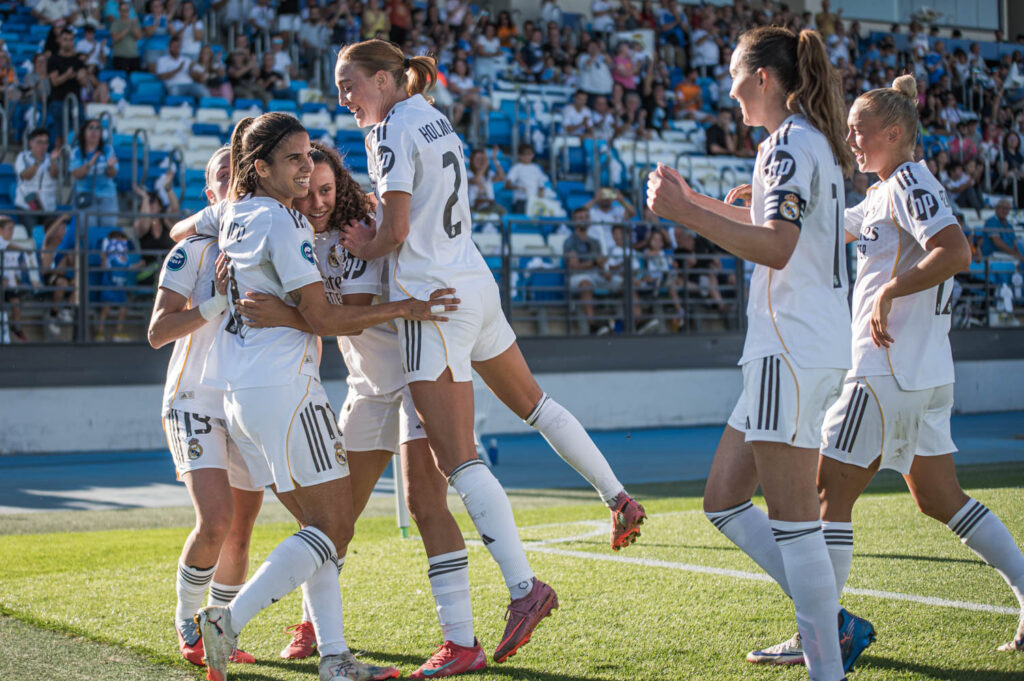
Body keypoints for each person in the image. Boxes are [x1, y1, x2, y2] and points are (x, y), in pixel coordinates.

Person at [335, 39, 646, 662]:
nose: (344, 99)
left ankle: (524, 590)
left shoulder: (392, 125)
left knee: (456, 460)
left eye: (351, 85)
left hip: (432, 301)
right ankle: (618, 496)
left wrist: (362, 244)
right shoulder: (429, 110)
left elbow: (394, 232)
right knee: (535, 403)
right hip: (473, 281)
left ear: (385, 80)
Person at [750, 75, 1024, 663]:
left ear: (893, 133)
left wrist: (888, 293)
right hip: (919, 374)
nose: (849, 137)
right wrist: (754, 200)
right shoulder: (880, 194)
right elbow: (825, 226)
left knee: (825, 493)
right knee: (938, 496)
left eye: (857, 128)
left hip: (885, 370)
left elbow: (954, 251)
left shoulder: (908, 179)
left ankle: (822, 633)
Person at [188, 112, 453, 681]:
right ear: (259, 168)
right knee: (333, 528)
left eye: (310, 156)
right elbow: (328, 318)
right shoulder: (283, 224)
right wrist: (407, 308)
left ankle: (334, 657)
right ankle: (228, 621)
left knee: (318, 529)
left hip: (240, 395)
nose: (307, 169)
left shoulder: (231, 212)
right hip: (285, 392)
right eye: (294, 160)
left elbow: (183, 229)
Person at [647, 26, 872, 681]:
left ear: (764, 79)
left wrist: (685, 216)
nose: (728, 89)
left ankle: (827, 657)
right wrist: (690, 202)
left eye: (734, 75)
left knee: (795, 521)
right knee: (722, 497)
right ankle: (832, 620)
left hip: (791, 348)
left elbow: (776, 245)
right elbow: (769, 228)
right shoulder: (804, 143)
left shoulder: (786, 145)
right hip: (798, 345)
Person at [235, 142, 487, 678]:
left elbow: (347, 318)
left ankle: (461, 640)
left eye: (327, 189)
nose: (318, 200)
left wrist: (282, 314)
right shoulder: (290, 234)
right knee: (334, 520)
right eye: (308, 189)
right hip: (368, 388)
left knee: (426, 506)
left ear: (341, 187)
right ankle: (315, 627)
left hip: (417, 380)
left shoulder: (363, 228)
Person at [147, 147, 264, 668]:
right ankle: (187, 623)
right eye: (223, 174)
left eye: (238, 171)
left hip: (243, 402)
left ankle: (219, 632)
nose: (233, 180)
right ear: (210, 196)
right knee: (215, 519)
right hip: (193, 400)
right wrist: (215, 301)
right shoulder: (191, 251)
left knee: (241, 527)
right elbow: (157, 332)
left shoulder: (261, 243)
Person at [69, 118, 119, 226]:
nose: (94, 131)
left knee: (108, 228)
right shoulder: (76, 152)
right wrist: (89, 164)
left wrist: (110, 167)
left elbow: (113, 174)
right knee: (87, 231)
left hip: (107, 195)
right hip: (84, 195)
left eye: (98, 128)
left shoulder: (108, 149)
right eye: (91, 128)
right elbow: (76, 174)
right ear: (84, 132)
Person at [15, 128, 60, 223]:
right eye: (39, 142)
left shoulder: (51, 158)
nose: (43, 146)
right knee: (34, 235)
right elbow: (26, 175)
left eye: (45, 143)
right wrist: (38, 162)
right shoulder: (22, 157)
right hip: (27, 206)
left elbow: (54, 174)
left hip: (48, 206)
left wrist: (52, 161)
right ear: (31, 143)